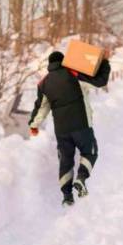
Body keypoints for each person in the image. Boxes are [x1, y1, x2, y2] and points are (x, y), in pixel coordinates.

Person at [28, 51, 111, 206]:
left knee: (66, 160)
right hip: (81, 124)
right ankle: (81, 178)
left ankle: (67, 197)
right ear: (64, 61)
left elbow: (41, 108)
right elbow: (100, 81)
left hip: (62, 130)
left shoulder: (43, 83)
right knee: (90, 151)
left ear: (50, 65)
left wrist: (34, 125)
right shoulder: (73, 73)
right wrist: (104, 62)